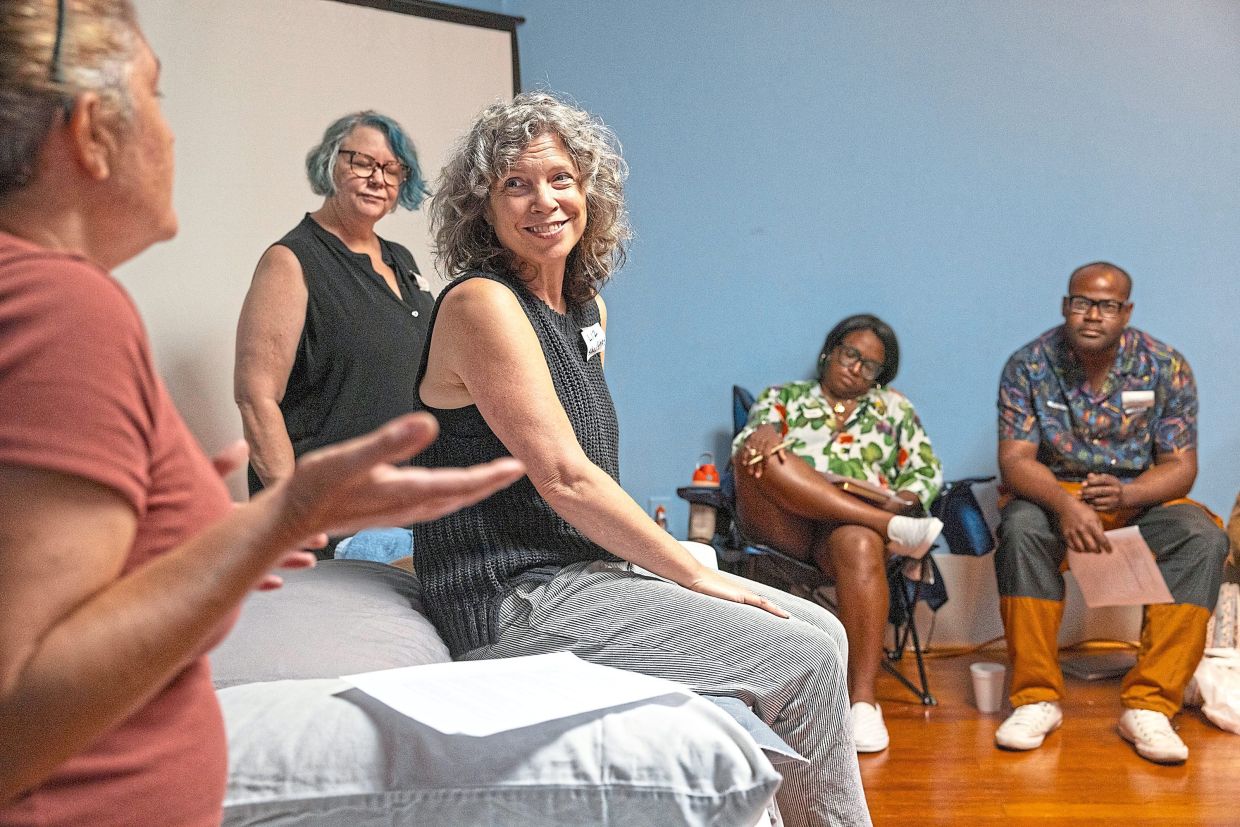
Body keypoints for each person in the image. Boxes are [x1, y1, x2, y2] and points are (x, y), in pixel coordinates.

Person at [0, 3, 524, 824]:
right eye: (157, 97)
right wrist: (284, 519)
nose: (172, 133)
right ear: (93, 132)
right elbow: (20, 713)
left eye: (390, 167)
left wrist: (208, 535)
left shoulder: (403, 265)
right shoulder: (61, 305)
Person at [411, 91, 871, 827]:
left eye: (560, 178)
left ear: (588, 191)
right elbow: (565, 476)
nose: (543, 200)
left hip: (585, 575)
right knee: (803, 657)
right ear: (483, 208)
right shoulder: (481, 305)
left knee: (827, 632)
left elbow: (588, 459)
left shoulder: (584, 308)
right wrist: (693, 571)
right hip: (511, 596)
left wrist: (666, 571)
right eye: (515, 184)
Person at [993, 261, 1228, 765]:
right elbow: (1015, 460)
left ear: (1127, 312)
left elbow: (1180, 466)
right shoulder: (1028, 365)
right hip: (1054, 496)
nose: (1093, 315)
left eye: (1107, 306)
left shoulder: (1165, 366)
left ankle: (1150, 705)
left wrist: (1128, 495)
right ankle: (1035, 699)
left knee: (1203, 537)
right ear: (1065, 306)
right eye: (1082, 303)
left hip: (1137, 497)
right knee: (1020, 527)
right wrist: (1065, 504)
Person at [732, 314, 945, 753]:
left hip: (846, 539)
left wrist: (901, 500)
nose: (856, 368)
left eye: (870, 366)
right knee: (761, 455)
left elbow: (925, 472)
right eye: (850, 354)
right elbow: (750, 450)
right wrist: (763, 434)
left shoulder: (894, 409)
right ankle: (892, 529)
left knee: (859, 540)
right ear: (830, 352)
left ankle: (862, 703)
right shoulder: (783, 397)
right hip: (785, 526)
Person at [234, 111, 434, 512]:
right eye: (363, 162)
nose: (378, 179)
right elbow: (256, 399)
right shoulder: (290, 260)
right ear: (330, 163)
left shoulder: (402, 260)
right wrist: (294, 515)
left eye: (392, 169)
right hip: (325, 510)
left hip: (402, 505)